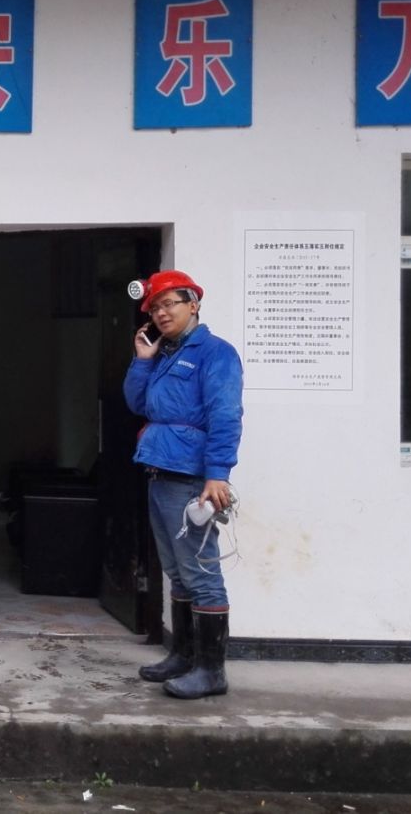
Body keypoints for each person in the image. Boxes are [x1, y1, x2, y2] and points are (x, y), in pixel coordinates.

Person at [123, 269, 243, 701]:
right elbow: (138, 403)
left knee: (200, 571)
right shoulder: (165, 354)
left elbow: (225, 414)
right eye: (154, 308)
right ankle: (184, 656)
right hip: (160, 470)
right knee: (176, 570)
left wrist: (217, 474)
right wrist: (143, 360)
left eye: (169, 303)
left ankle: (211, 671)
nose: (160, 313)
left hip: (191, 477)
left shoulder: (215, 353)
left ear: (194, 304)